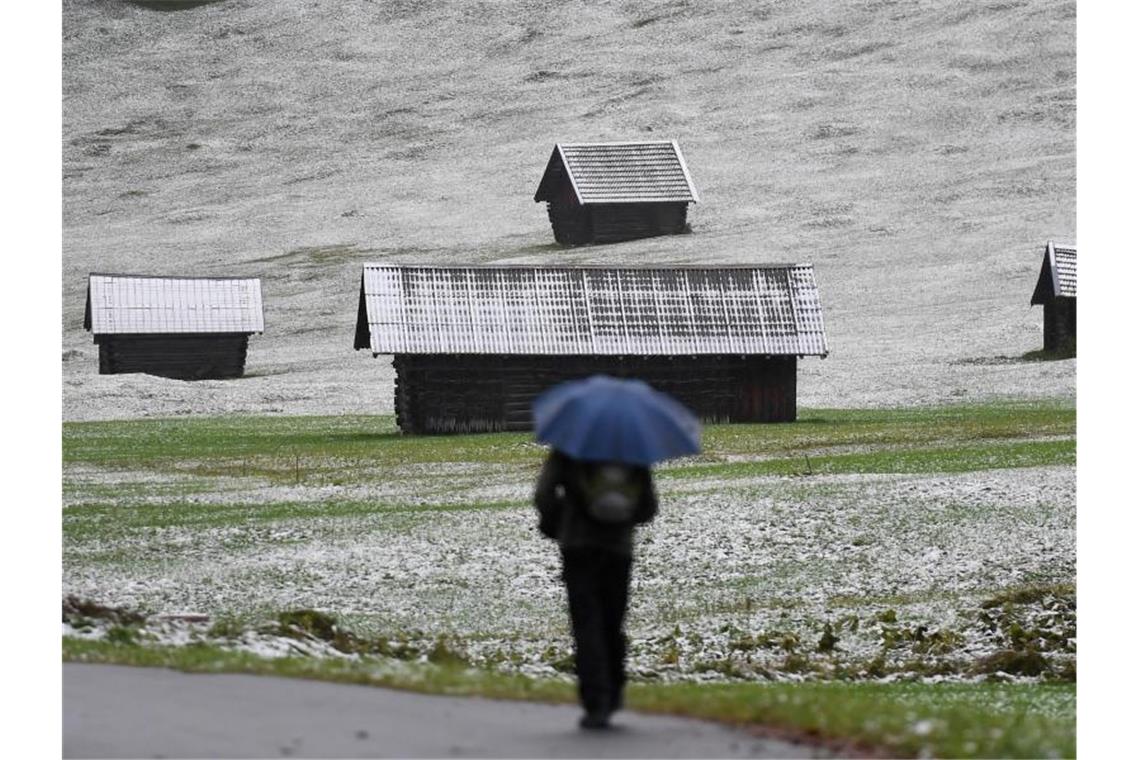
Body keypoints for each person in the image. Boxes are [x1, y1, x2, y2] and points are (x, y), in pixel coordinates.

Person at [533, 448, 659, 729]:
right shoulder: (633, 451)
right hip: (618, 548)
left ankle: (596, 700)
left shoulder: (568, 448)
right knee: (612, 622)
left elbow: (543, 494)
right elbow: (648, 507)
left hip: (578, 546)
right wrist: (622, 517)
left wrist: (557, 525)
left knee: (587, 624)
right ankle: (614, 692)